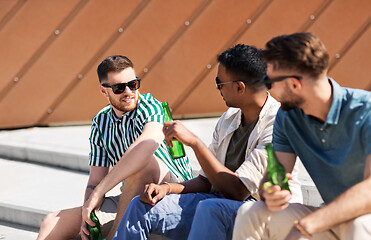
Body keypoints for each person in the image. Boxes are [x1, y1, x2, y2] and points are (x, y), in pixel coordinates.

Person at [112, 44, 302, 240]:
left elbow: (238, 191)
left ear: (239, 87)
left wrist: (195, 142)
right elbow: (206, 180)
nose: (218, 88)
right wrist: (166, 189)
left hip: (261, 214)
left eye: (220, 83)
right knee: (140, 204)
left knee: (210, 208)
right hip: (215, 203)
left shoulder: (279, 124)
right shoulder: (229, 119)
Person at [37, 55, 193, 240]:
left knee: (145, 164)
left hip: (175, 194)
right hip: (133, 196)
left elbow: (145, 148)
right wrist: (89, 209)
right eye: (119, 88)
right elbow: (95, 179)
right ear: (104, 91)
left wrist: (99, 192)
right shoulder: (100, 122)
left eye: (133, 84)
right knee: (52, 221)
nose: (128, 92)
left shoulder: (152, 107)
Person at [233, 32, 371, 240]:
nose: (267, 89)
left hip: (363, 221)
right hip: (330, 220)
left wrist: (307, 225)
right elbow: (275, 175)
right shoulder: (287, 117)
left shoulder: (366, 111)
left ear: (295, 84)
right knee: (250, 213)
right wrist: (270, 191)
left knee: (358, 225)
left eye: (269, 82)